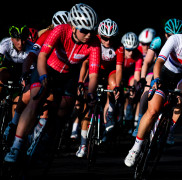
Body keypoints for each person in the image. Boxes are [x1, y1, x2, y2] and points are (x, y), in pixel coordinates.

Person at [4, 3, 100, 163]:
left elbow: (94, 74)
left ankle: (46, 135)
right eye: (84, 30)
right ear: (74, 27)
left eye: (92, 30)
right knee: (35, 100)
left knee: (64, 108)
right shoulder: (60, 30)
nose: (89, 35)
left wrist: (91, 93)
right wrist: (42, 76)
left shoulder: (94, 43)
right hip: (48, 68)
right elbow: (41, 57)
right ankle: (16, 145)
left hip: (69, 75)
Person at [124, 16, 182, 167]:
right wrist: (156, 79)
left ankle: (170, 129)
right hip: (165, 73)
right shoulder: (175, 39)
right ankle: (135, 148)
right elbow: (159, 61)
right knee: (153, 111)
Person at [3, 10, 70, 147]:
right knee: (28, 96)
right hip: (40, 70)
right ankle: (14, 126)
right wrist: (26, 75)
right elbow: (32, 58)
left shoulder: (74, 40)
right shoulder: (46, 36)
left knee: (57, 107)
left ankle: (40, 141)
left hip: (61, 74)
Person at [73, 18, 124, 157]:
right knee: (87, 108)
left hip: (110, 73)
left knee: (114, 85)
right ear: (99, 35)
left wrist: (117, 87)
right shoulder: (94, 41)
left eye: (111, 39)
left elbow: (119, 69)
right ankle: (83, 143)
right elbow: (84, 64)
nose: (108, 42)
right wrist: (80, 82)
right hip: (94, 71)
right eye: (104, 38)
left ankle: (110, 111)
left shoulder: (119, 47)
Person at [132, 18, 182, 139]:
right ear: (166, 34)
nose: (174, 40)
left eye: (178, 36)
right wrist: (142, 78)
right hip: (158, 70)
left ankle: (170, 129)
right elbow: (147, 62)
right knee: (148, 88)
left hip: (176, 73)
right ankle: (140, 120)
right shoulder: (158, 41)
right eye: (171, 36)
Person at [121, 32, 143, 125]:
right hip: (119, 73)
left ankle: (129, 106)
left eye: (133, 50)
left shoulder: (138, 54)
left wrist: (133, 88)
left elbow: (137, 75)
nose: (131, 53)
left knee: (132, 88)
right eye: (128, 50)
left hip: (130, 75)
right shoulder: (119, 52)